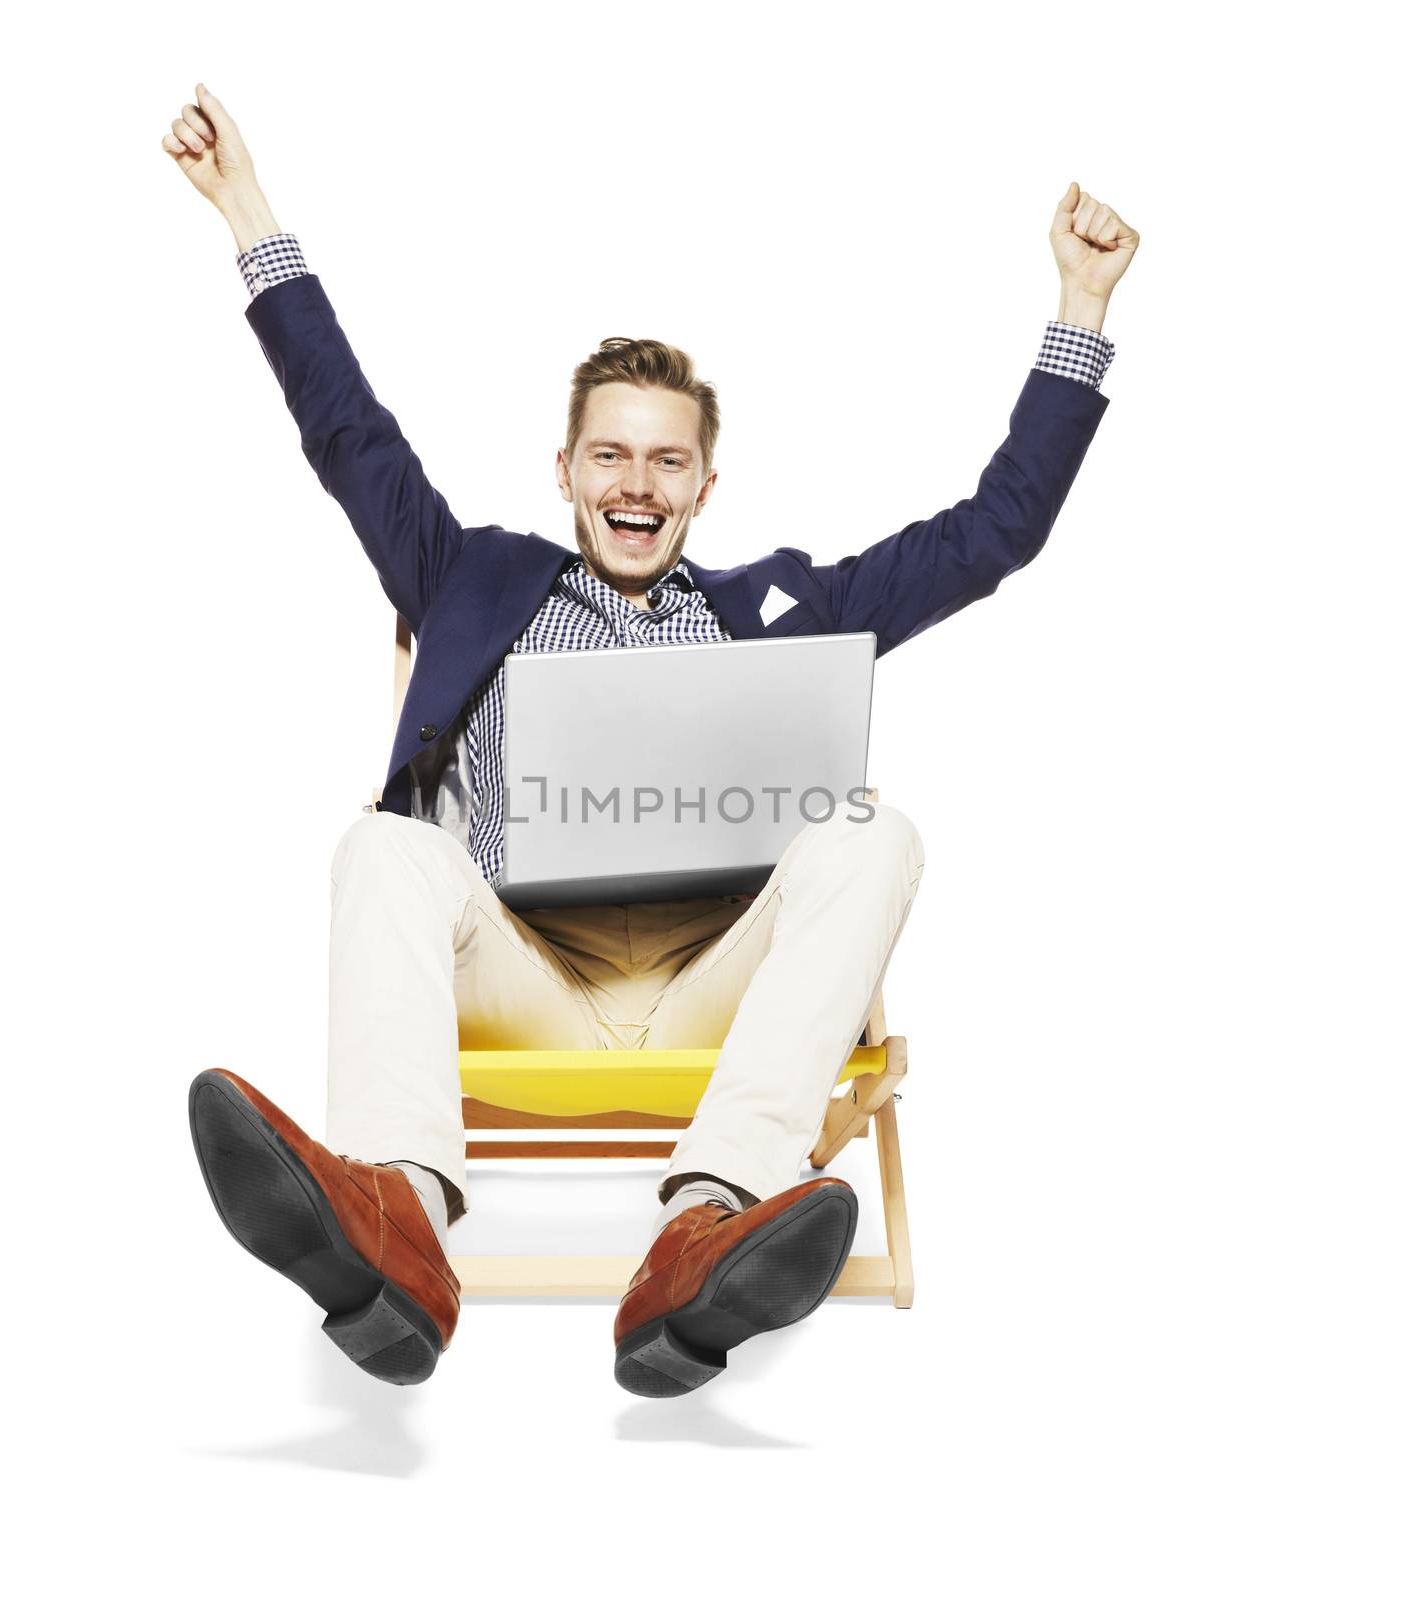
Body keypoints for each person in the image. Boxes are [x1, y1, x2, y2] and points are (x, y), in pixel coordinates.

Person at [163, 84, 1137, 1397]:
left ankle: (707, 1227)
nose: (636, 482)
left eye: (666, 462)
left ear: (704, 487)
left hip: (711, 977)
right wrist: (246, 209)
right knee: (380, 850)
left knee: (880, 831)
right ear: (563, 471)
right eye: (609, 456)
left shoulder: (790, 608)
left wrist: (1082, 307)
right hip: (527, 975)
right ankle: (396, 1223)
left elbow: (993, 533)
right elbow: (346, 428)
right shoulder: (467, 575)